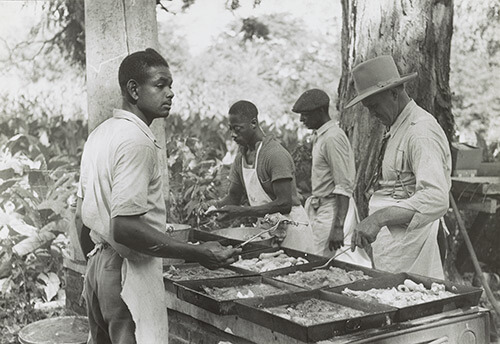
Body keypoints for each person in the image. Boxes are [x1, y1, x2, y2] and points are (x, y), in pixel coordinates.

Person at [75, 48, 241, 344]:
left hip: (99, 267)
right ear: (134, 90)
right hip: (128, 275)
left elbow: (80, 217)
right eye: (160, 85)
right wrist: (198, 252)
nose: (170, 93)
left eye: (171, 85)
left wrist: (99, 271)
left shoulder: (101, 134)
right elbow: (124, 227)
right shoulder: (136, 141)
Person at [345, 55, 451, 279]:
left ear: (394, 92)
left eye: (374, 106)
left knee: (416, 306)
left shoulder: (420, 131)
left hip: (417, 248)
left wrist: (378, 219)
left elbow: (436, 198)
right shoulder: (397, 126)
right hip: (397, 249)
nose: (372, 115)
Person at [212, 100, 316, 254]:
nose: (233, 135)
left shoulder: (274, 154)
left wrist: (240, 211)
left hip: (293, 231)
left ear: (253, 123)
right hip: (268, 230)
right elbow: (233, 197)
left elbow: (284, 204)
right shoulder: (241, 156)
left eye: (238, 129)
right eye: (231, 129)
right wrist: (215, 207)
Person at [292, 89, 372, 267]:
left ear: (320, 112)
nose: (301, 120)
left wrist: (338, 226)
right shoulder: (322, 136)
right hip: (321, 206)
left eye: (305, 115)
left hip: (334, 208)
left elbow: (343, 185)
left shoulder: (333, 138)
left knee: (318, 262)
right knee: (317, 258)